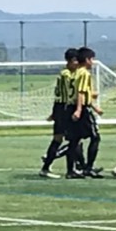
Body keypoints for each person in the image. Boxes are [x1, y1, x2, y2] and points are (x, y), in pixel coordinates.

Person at [39, 48, 80, 179]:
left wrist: (54, 112)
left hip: (60, 107)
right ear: (72, 60)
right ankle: (68, 168)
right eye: (77, 61)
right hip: (65, 108)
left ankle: (51, 166)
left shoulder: (63, 73)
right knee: (70, 139)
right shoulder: (68, 75)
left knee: (62, 139)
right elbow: (70, 93)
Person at [63, 47, 97, 179]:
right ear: (87, 60)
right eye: (92, 59)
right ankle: (88, 168)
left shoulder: (74, 72)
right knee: (95, 137)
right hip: (81, 108)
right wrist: (79, 109)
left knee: (74, 140)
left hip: (71, 106)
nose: (93, 62)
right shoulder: (84, 73)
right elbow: (80, 92)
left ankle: (71, 170)